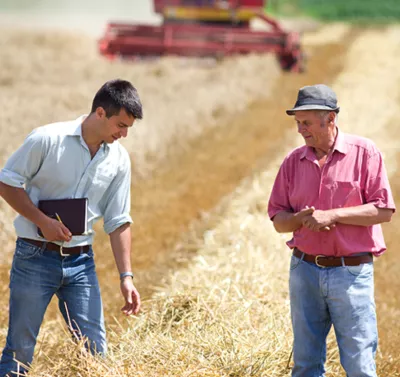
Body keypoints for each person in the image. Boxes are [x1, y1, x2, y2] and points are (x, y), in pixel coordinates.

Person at [0, 79, 142, 376]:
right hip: (34, 258)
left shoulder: (118, 160)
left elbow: (118, 221)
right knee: (20, 351)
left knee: (95, 353)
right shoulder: (47, 139)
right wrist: (43, 222)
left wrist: (126, 277)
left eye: (129, 127)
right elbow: (7, 182)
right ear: (100, 113)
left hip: (81, 263)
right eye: (121, 124)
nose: (124, 134)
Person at [268, 84, 395, 377]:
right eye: (298, 123)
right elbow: (278, 221)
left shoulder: (365, 153)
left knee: (359, 365)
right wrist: (299, 218)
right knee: (306, 364)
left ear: (330, 119)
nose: (301, 130)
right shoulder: (292, 161)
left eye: (307, 123)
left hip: (350, 273)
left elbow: (384, 211)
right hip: (304, 271)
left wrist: (333, 215)